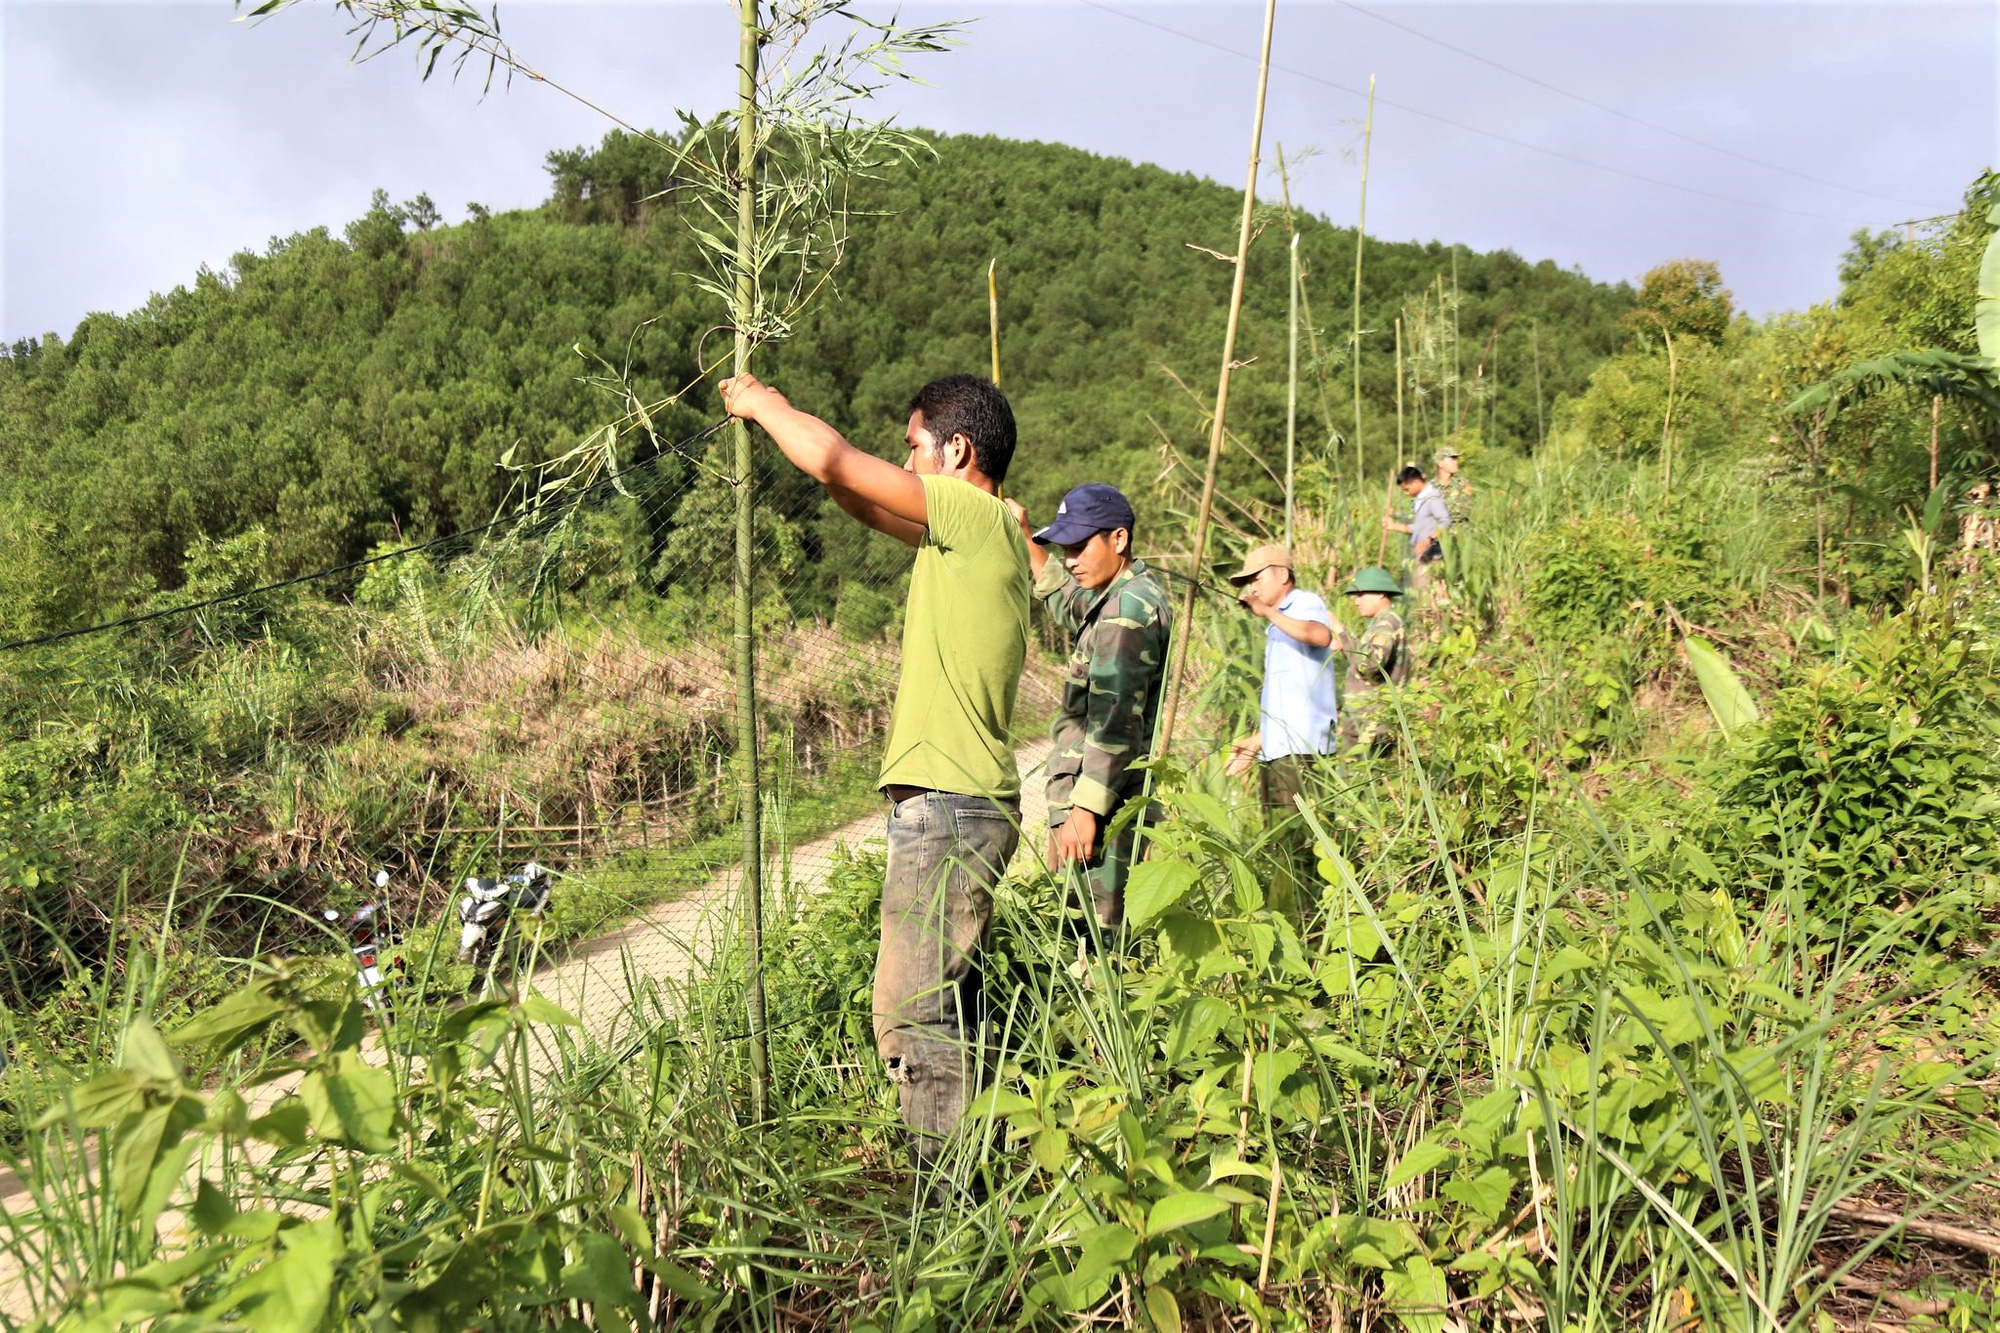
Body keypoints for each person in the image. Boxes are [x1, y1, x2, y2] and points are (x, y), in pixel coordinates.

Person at [719, 370, 1028, 1176]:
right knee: (939, 1006)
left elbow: (837, 462)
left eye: (913, 446)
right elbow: (856, 495)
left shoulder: (970, 510)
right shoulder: (975, 532)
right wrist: (832, 474)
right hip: (963, 800)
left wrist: (764, 403)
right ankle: (975, 1173)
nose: (907, 460)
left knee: (913, 1015)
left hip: (952, 802)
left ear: (957, 450)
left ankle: (947, 1204)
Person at [1007, 483, 1172, 942]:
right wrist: (1025, 538)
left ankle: (1105, 1012)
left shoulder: (1126, 611)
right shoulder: (1118, 597)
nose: (1072, 560)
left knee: (1099, 940)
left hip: (1105, 806)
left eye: (1080, 547)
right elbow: (1069, 603)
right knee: (1092, 930)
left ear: (1118, 539)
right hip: (1100, 801)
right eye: (1065, 550)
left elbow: (1116, 717)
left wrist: (1085, 809)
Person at [1222, 544, 1337, 911]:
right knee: (1280, 845)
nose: (1252, 587)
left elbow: (1321, 635)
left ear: (1282, 575)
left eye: (1257, 578)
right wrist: (1257, 741)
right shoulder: (1277, 625)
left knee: (1300, 848)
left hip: (1302, 752)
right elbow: (1291, 698)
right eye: (1248, 582)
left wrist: (1268, 612)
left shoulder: (1303, 603)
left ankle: (1309, 930)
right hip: (1279, 749)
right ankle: (1290, 925)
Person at [1333, 566, 1412, 754]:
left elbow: (1370, 665)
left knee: (1360, 778)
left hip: (1371, 724)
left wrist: (1340, 631)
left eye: (1361, 595)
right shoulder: (1383, 622)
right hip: (1368, 721)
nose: (1356, 601)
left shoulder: (1386, 623)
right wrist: (1345, 645)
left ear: (1381, 595)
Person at [1383, 464, 1451, 602]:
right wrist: (1393, 525)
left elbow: (1446, 522)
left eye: (1407, 489)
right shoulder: (1420, 500)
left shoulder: (1432, 497)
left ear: (1415, 482)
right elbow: (1418, 528)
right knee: (1421, 595)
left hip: (1432, 556)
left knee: (1431, 595)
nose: (1407, 493)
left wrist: (1428, 540)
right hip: (1421, 556)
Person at [1435, 445, 1473, 529]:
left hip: (1461, 533)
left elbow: (1465, 511)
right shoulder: (1431, 488)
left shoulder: (1463, 484)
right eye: (1452, 459)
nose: (1456, 462)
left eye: (1456, 459)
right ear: (1440, 463)